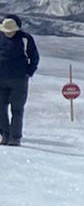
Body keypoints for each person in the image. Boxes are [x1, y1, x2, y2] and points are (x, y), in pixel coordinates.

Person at [0, 14, 40, 145]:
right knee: (1, 109)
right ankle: (5, 135)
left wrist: (28, 72)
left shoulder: (25, 39)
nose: (8, 33)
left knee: (17, 109)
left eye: (11, 31)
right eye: (6, 31)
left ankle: (15, 138)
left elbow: (34, 56)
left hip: (19, 80)